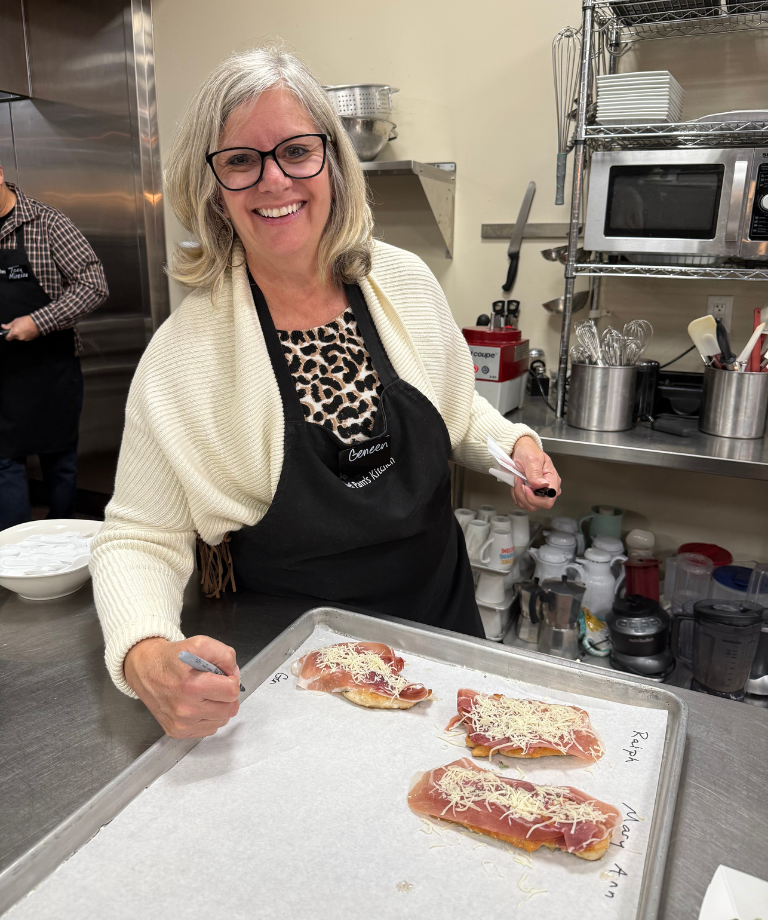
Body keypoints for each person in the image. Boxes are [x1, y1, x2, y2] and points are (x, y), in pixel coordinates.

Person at [91, 46, 561, 740]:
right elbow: (140, 534)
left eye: (296, 151)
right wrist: (143, 652)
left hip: (442, 631)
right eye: (241, 160)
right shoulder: (183, 355)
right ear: (214, 187)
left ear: (333, 163)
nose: (274, 179)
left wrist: (514, 445)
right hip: (295, 667)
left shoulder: (405, 283)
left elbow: (457, 412)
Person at [0, 166, 108, 529]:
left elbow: (93, 285)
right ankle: (16, 547)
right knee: (3, 459)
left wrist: (38, 322)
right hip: (3, 371)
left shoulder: (47, 223)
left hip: (50, 369)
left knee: (59, 462)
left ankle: (62, 536)